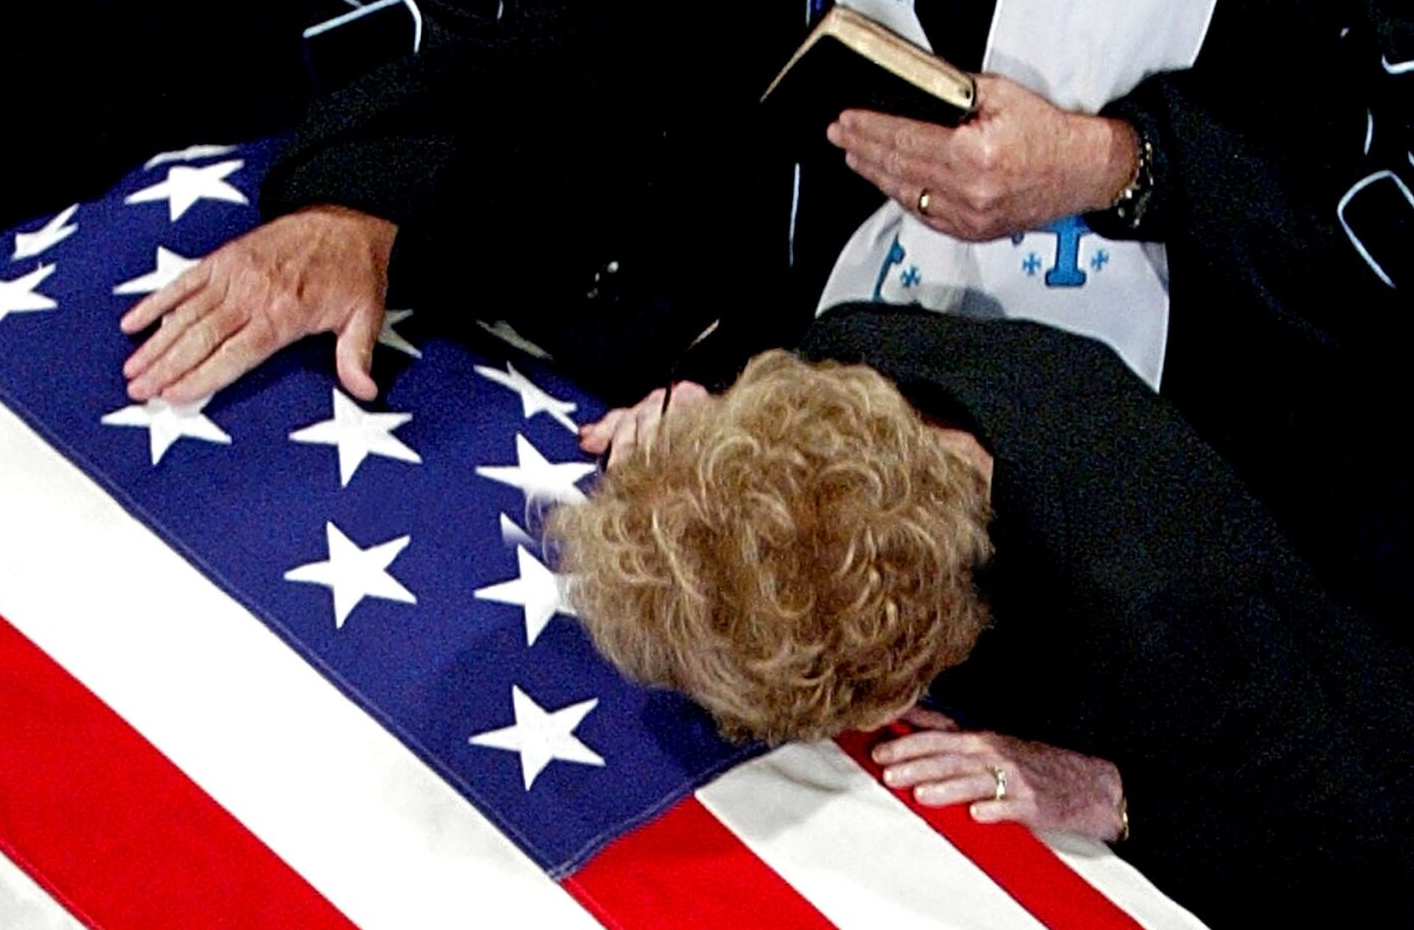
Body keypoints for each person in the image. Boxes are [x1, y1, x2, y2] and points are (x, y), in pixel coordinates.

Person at [116, 0, 1411, 631]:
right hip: (779, 351)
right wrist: (373, 203)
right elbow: (588, 21)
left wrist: (1129, 171)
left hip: (1166, 508)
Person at [553, 302, 1414, 929]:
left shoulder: (1157, 616)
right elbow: (771, 492)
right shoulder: (853, 351)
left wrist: (1121, 796)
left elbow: (1369, 844)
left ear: (907, 671)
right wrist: (701, 449)